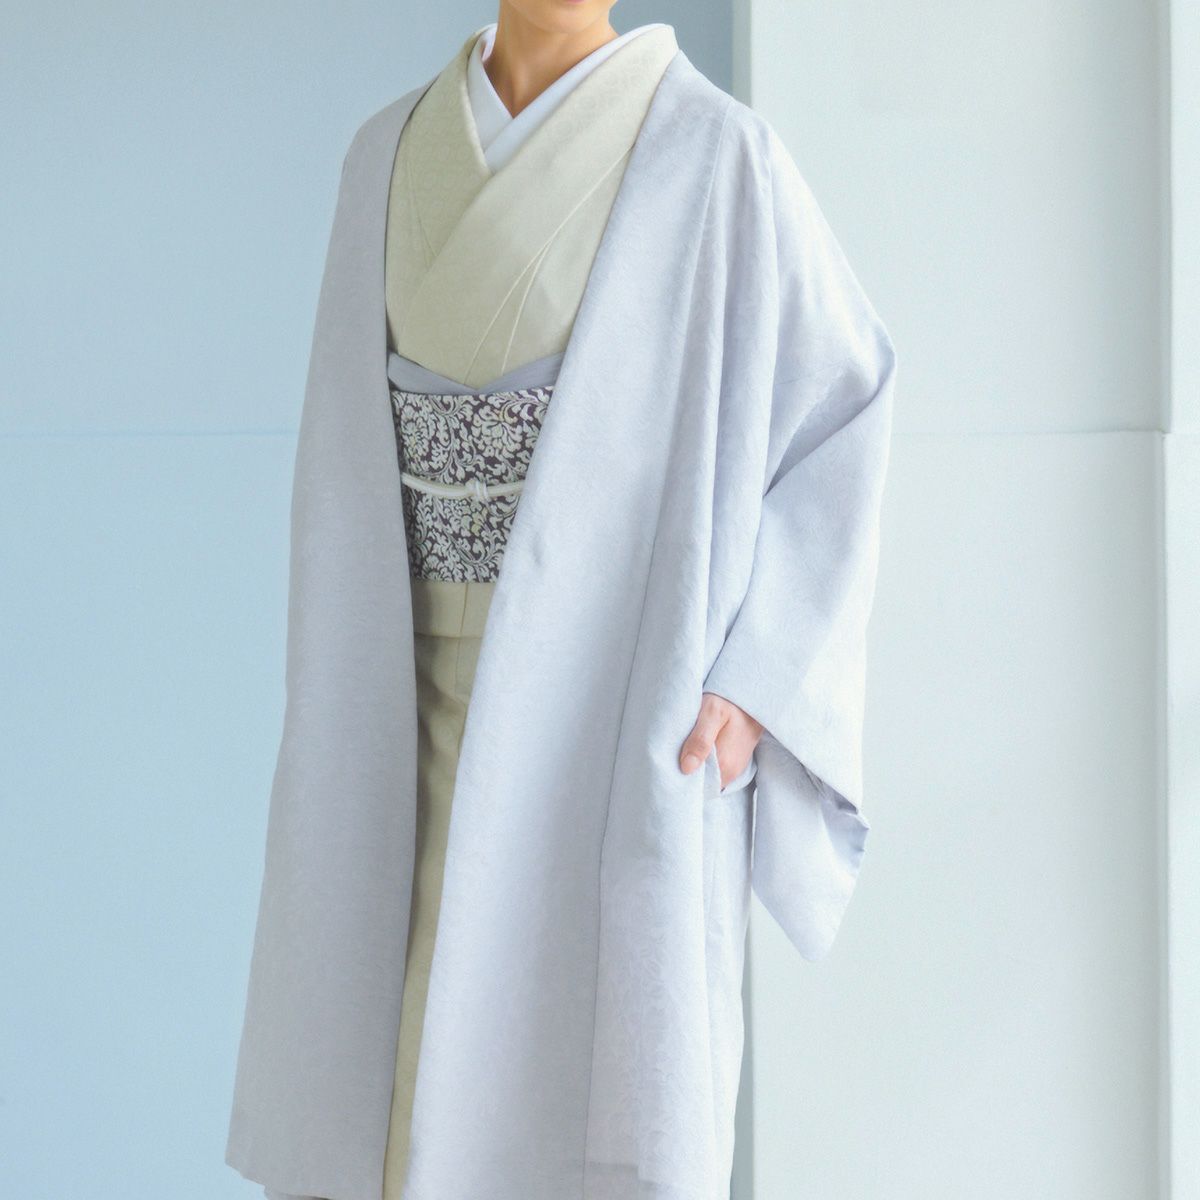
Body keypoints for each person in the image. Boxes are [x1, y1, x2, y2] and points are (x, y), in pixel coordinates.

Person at [227, 4, 898, 1198]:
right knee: (390, 1084)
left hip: (607, 700)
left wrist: (759, 677)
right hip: (401, 700)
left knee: (583, 1085)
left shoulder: (717, 158)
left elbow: (846, 407)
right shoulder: (385, 155)